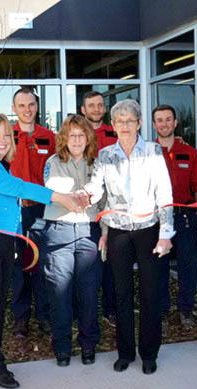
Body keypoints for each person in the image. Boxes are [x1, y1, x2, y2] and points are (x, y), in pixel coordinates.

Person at [0, 114, 83, 389]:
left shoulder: (0, 166)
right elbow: (17, 188)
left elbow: (9, 205)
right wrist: (60, 198)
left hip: (2, 242)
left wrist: (17, 240)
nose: (3, 140)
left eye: (7, 135)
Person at [82, 99, 174, 375]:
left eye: (130, 121)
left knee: (150, 293)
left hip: (149, 230)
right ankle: (125, 353)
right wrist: (83, 196)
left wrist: (165, 234)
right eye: (119, 121)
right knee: (121, 293)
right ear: (112, 125)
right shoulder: (105, 155)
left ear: (139, 123)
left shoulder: (153, 151)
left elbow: (164, 193)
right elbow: (97, 189)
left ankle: (149, 353)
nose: (125, 126)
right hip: (118, 232)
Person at [41, 115, 102, 367]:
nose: (76, 140)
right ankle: (63, 348)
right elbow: (55, 186)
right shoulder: (53, 162)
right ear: (64, 138)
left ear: (88, 138)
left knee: (88, 294)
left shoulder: (97, 164)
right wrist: (81, 194)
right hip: (60, 232)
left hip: (88, 233)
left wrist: (88, 194)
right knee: (60, 294)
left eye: (81, 135)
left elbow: (101, 193)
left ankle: (88, 345)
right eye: (72, 135)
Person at [152, 105, 197, 328]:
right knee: (159, 267)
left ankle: (186, 310)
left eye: (168, 119)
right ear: (154, 125)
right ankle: (161, 311)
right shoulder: (148, 152)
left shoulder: (189, 152)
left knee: (188, 266)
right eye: (159, 120)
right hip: (157, 220)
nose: (164, 124)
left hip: (185, 217)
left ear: (175, 123)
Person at [10, 87, 56, 338]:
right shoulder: (6, 136)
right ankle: (21, 318)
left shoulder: (49, 137)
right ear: (14, 109)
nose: (27, 110)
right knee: (19, 264)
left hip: (42, 210)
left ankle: (45, 315)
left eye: (31, 105)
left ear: (37, 107)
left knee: (43, 262)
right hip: (14, 209)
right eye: (22, 105)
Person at [80, 90, 117, 328]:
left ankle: (110, 309)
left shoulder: (115, 133)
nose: (96, 109)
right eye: (91, 105)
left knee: (111, 261)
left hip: (112, 206)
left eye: (100, 105)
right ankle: (84, 311)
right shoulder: (76, 134)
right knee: (86, 261)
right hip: (84, 207)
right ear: (83, 110)